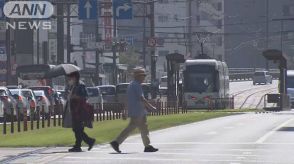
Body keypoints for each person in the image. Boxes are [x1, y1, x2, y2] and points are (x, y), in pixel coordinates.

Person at [110, 68, 159, 153]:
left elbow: (126, 99)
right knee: (134, 127)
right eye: (142, 76)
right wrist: (151, 107)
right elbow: (142, 98)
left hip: (137, 110)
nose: (144, 78)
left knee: (143, 127)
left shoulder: (131, 85)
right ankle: (116, 142)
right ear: (138, 77)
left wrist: (125, 111)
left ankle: (147, 146)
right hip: (138, 111)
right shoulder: (136, 85)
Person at [66, 71, 95, 152]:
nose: (69, 79)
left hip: (78, 110)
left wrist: (74, 96)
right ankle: (79, 145)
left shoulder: (80, 85)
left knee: (77, 129)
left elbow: (84, 96)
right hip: (75, 110)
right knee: (77, 129)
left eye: (70, 77)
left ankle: (88, 142)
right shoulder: (74, 86)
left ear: (74, 77)